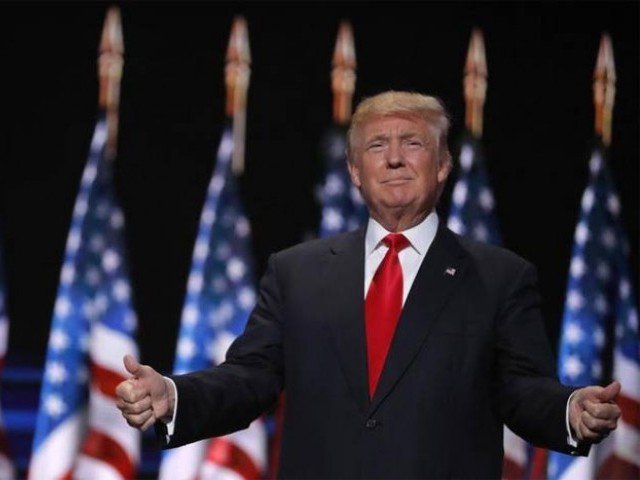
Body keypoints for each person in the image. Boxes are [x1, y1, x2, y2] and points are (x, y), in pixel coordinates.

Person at [116, 91, 621, 478]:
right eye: (377, 145)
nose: (394, 158)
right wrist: (174, 396)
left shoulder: (499, 277)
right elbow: (251, 378)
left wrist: (570, 410)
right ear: (356, 171)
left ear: (443, 164)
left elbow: (521, 389)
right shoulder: (298, 272)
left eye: (413, 142)